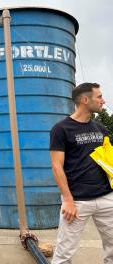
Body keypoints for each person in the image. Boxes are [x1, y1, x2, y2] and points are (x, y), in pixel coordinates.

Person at [49, 82, 113, 263]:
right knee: (64, 253)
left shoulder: (100, 128)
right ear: (86, 100)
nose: (103, 100)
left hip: (106, 197)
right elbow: (56, 166)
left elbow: (107, 161)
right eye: (99, 96)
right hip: (77, 201)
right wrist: (68, 200)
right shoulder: (61, 129)